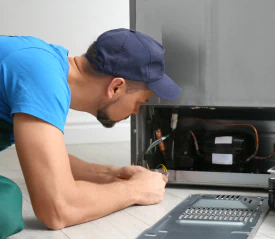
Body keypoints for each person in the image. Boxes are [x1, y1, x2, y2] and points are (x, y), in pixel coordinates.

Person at [0, 28, 182, 237]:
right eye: (139, 102)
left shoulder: (45, 63)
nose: (136, 111)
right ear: (116, 87)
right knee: (6, 203)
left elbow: (43, 157)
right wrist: (135, 191)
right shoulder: (42, 78)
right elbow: (57, 210)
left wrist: (111, 174)